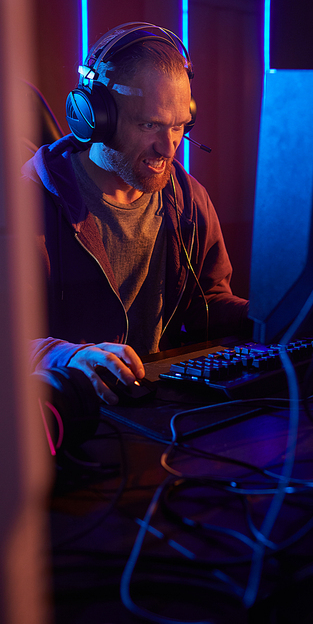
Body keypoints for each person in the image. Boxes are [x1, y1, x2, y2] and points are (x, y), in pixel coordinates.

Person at [23, 23, 249, 404]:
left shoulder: (190, 199)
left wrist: (280, 312)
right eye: (150, 125)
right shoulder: (27, 202)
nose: (169, 147)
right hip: (68, 421)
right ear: (95, 117)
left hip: (155, 417)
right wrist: (69, 356)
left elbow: (204, 306)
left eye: (179, 126)